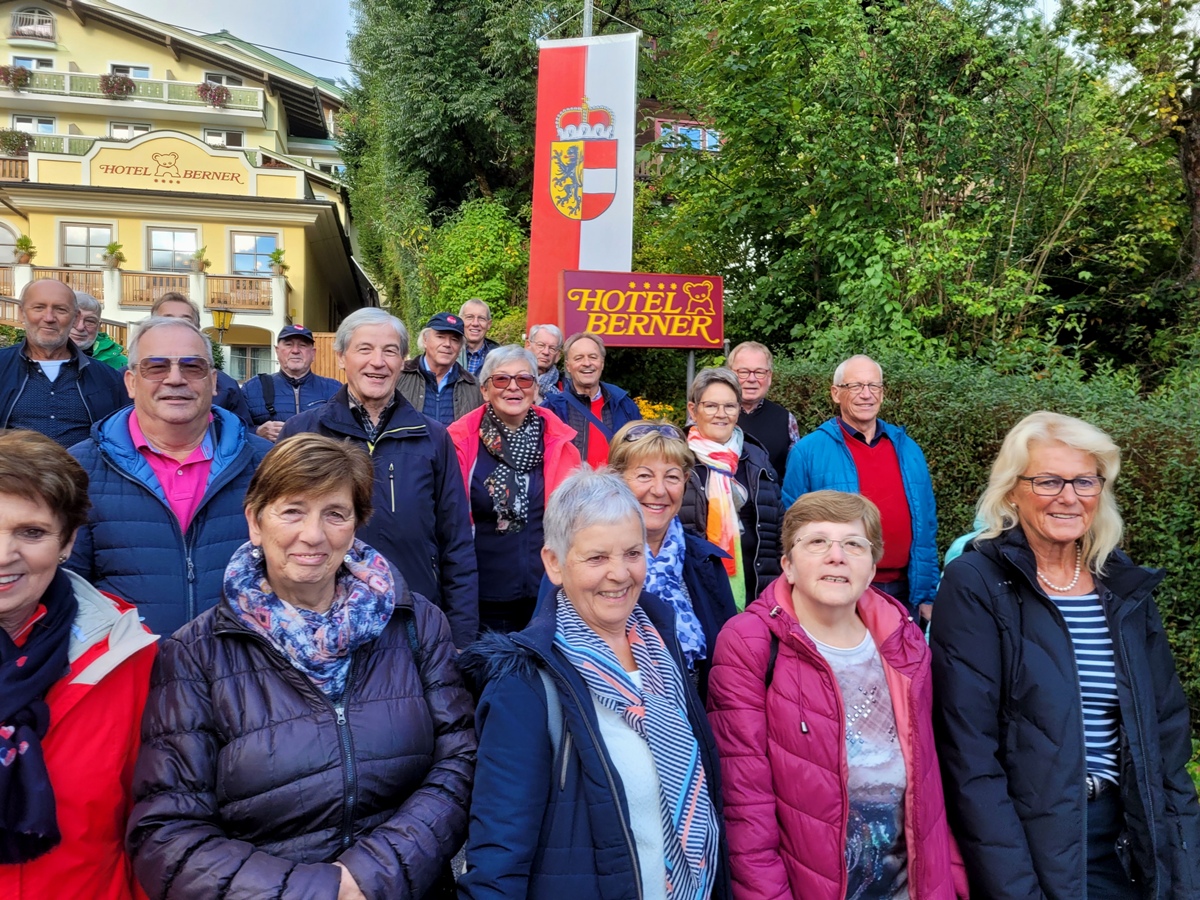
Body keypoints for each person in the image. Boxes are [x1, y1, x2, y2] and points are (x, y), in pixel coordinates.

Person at [127, 433, 476, 900]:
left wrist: (373, 873)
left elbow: (459, 763)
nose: (313, 535)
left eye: (335, 513)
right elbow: (170, 836)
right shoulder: (196, 653)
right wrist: (320, 891)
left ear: (356, 525)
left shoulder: (414, 623)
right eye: (292, 511)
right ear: (255, 522)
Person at [930, 411, 1200, 899]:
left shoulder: (1121, 585)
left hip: (1128, 836)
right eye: (1048, 480)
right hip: (1031, 841)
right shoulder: (976, 582)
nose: (1069, 496)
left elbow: (1165, 735)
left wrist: (1182, 867)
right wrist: (1015, 888)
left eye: (1085, 481)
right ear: (1012, 491)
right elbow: (969, 755)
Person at [458, 469, 728, 899]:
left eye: (632, 553)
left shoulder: (662, 646)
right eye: (597, 558)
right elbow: (498, 858)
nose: (619, 574)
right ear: (554, 563)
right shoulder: (525, 683)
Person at [707, 490, 966, 900]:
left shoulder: (904, 640)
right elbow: (745, 803)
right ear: (788, 565)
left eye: (854, 545)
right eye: (817, 542)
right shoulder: (750, 642)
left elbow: (930, 778)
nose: (836, 556)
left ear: (872, 567)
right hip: (811, 883)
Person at [0, 430, 157, 900]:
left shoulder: (127, 656)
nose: (4, 555)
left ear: (67, 541)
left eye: (31, 532)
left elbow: (150, 826)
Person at [280, 308, 479, 647]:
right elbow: (279, 531)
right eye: (365, 349)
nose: (378, 362)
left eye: (389, 351)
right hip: (321, 624)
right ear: (341, 357)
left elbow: (456, 542)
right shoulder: (303, 433)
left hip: (412, 621)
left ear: (403, 361)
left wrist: (461, 639)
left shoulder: (433, 438)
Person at [67, 317, 271, 636]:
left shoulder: (268, 465)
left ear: (213, 382)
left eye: (192, 366)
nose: (175, 378)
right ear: (131, 382)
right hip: (128, 663)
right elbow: (67, 591)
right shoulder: (79, 470)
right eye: (156, 366)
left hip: (240, 663)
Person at [782, 355, 938, 621]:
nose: (866, 394)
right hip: (838, 588)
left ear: (882, 393)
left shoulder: (908, 449)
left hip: (904, 591)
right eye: (855, 386)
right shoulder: (808, 452)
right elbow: (791, 529)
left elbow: (927, 524)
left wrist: (927, 592)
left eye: (873, 386)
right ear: (836, 393)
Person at [447, 345, 580, 633]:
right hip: (481, 597)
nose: (513, 387)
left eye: (524, 379)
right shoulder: (459, 444)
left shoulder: (560, 443)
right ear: (485, 390)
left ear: (535, 389)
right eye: (501, 379)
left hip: (547, 595)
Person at [608, 420, 738, 699]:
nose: (659, 490)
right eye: (644, 476)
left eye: (672, 477)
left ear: (685, 482)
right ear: (617, 480)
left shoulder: (706, 561)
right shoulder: (587, 561)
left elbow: (730, 665)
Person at [678, 367, 783, 610]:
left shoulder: (757, 459)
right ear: (693, 410)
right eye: (711, 406)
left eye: (729, 406)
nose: (721, 414)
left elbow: (778, 528)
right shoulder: (677, 460)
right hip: (696, 596)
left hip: (758, 594)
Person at [0, 279, 127, 448]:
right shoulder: (2, 367)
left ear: (75, 318)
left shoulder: (107, 379)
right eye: (39, 307)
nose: (49, 318)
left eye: (60, 309)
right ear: (21, 313)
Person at [149, 292, 255, 430]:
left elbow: (243, 432)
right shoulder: (127, 379)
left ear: (197, 330)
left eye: (186, 322)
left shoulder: (226, 386)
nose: (177, 327)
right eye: (167, 321)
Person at [542, 331, 641, 467]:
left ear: (602, 363)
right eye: (579, 358)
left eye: (593, 357)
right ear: (568, 366)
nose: (587, 363)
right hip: (571, 481)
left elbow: (641, 452)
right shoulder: (552, 409)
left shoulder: (624, 405)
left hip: (617, 480)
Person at [241, 324, 341, 442]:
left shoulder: (335, 390)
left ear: (313, 353)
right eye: (288, 344)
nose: (295, 351)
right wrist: (257, 432)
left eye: (302, 345)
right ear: (277, 351)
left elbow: (350, 433)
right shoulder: (252, 388)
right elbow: (234, 432)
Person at [397, 312, 484, 426]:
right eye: (440, 337)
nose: (447, 344)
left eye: (454, 339)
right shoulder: (399, 375)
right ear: (425, 340)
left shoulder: (474, 387)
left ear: (460, 347)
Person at [728, 341, 797, 482]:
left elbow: (794, 475)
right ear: (730, 374)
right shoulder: (709, 414)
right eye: (743, 372)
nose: (751, 379)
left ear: (769, 377)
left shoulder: (786, 420)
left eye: (759, 372)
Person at [70, 291, 128, 369]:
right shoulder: (52, 360)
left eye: (90, 321)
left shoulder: (122, 365)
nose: (80, 327)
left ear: (99, 326)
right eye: (74, 319)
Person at [458, 298, 499, 376]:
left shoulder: (499, 358)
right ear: (460, 321)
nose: (475, 323)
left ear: (489, 324)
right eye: (469, 317)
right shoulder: (448, 352)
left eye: (481, 318)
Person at [525, 322, 563, 397]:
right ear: (528, 346)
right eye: (541, 345)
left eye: (552, 348)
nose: (546, 352)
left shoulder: (565, 387)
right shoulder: (512, 378)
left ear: (558, 355)